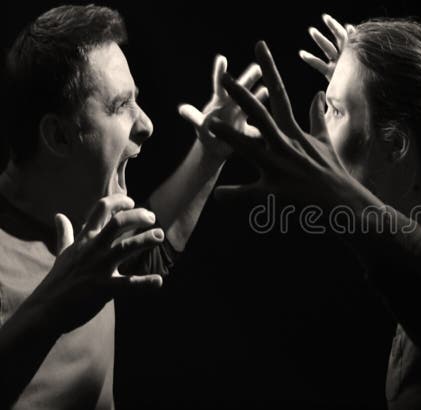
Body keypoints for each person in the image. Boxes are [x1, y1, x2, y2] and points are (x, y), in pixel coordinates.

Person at [209, 16, 421, 410]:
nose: (320, 137)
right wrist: (362, 86)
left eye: (334, 111)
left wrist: (344, 200)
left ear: (395, 144)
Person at [0, 5, 255, 408]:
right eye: (121, 106)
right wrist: (52, 309)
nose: (147, 124)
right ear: (59, 137)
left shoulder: (93, 215)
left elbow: (148, 253)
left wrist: (211, 152)